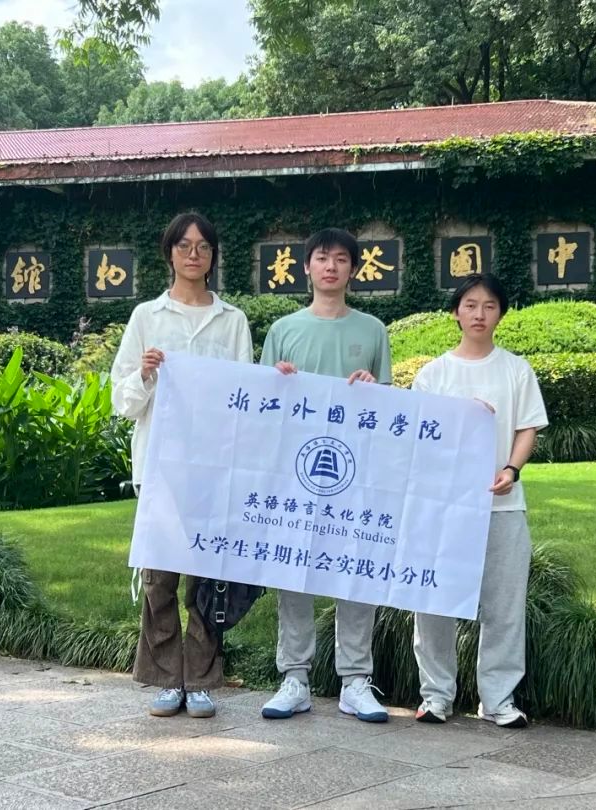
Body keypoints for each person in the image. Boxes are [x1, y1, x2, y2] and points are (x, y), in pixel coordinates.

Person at [110, 212, 253, 719]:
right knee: (161, 577)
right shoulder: (147, 317)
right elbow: (122, 401)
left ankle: (204, 678)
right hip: (160, 466)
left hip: (213, 468)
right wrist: (145, 376)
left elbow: (244, 394)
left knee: (209, 577)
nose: (194, 255)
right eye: (184, 246)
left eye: (203, 247)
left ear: (213, 257)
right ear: (169, 253)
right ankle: (167, 678)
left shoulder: (232, 320)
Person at [258, 227, 393, 723]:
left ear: (353, 269)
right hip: (295, 470)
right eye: (321, 258)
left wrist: (372, 387)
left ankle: (355, 680)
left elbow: (388, 406)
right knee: (293, 564)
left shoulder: (372, 330)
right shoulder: (283, 330)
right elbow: (263, 405)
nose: (330, 266)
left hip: (355, 470)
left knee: (355, 566)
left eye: (340, 259)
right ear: (307, 267)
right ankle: (294, 677)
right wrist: (278, 382)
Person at [410, 273, 548, 728]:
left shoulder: (516, 370)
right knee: (433, 599)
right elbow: (419, 436)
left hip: (502, 504)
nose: (479, 314)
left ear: (500, 314)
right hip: (443, 507)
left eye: (489, 306)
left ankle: (498, 699)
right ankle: (436, 695)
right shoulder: (434, 374)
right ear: (455, 312)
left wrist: (511, 469)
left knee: (504, 606)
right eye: (470, 305)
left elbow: (527, 427)